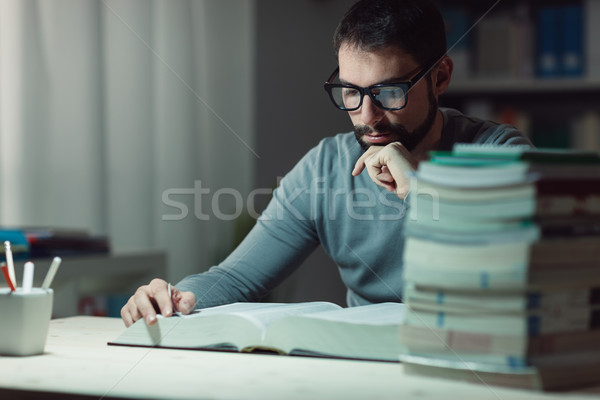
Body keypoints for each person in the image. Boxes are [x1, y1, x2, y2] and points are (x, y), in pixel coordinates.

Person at [121, 0, 532, 327]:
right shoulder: (327, 167)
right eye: (350, 91)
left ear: (440, 78)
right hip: (366, 368)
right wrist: (174, 299)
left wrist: (417, 190)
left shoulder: (498, 152)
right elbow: (237, 278)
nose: (366, 116)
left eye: (389, 92)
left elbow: (515, 275)